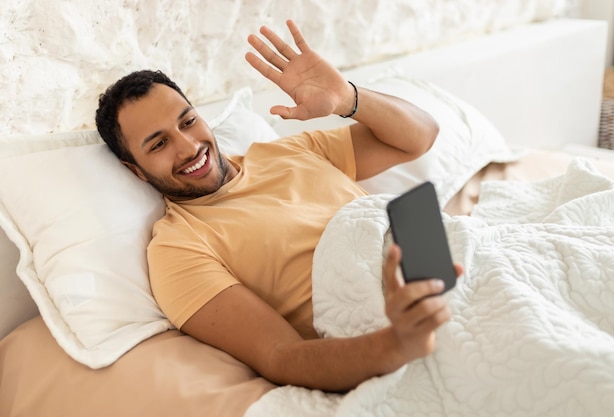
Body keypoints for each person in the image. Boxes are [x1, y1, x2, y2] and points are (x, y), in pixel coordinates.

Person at [95, 20, 462, 392]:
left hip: (452, 271)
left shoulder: (287, 151)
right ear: (135, 170)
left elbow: (420, 136)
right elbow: (280, 356)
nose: (189, 147)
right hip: (395, 330)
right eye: (158, 144)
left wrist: (348, 98)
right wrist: (398, 342)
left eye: (188, 121)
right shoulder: (178, 248)